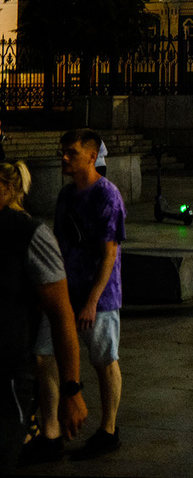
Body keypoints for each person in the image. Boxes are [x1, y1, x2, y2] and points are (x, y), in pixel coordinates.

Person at [33, 129, 125, 460]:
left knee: (104, 360)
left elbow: (109, 254)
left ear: (91, 155)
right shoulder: (66, 196)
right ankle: (51, 432)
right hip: (64, 291)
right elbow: (58, 243)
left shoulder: (108, 196)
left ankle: (109, 429)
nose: (64, 158)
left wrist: (91, 301)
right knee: (44, 355)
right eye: (63, 151)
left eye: (71, 152)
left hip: (99, 297)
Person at [3, 161, 88, 472]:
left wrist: (72, 389)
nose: (64, 159)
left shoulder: (27, 233)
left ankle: (47, 431)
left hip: (9, 373)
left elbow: (61, 315)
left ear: (7, 187)